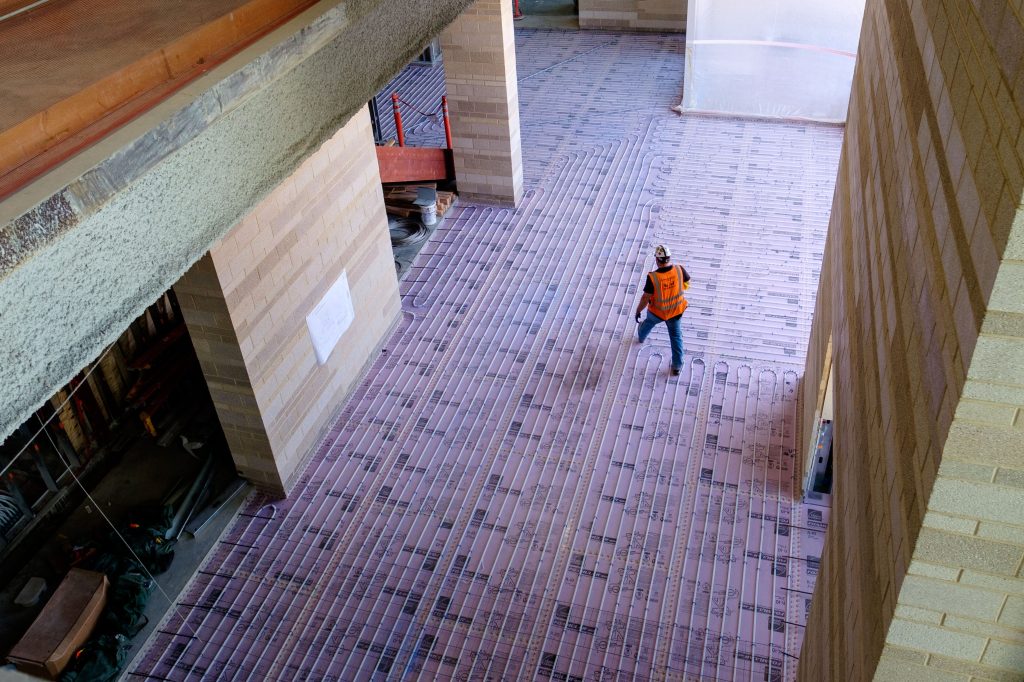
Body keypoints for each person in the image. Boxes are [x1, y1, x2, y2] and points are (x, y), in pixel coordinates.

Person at [634, 245, 690, 375]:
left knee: (647, 323)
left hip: (657, 312)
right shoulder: (679, 269)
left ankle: (641, 337)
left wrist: (638, 311)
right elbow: (687, 283)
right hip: (676, 311)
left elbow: (645, 298)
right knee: (676, 337)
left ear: (657, 260)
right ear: (669, 258)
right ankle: (677, 366)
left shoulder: (653, 277)